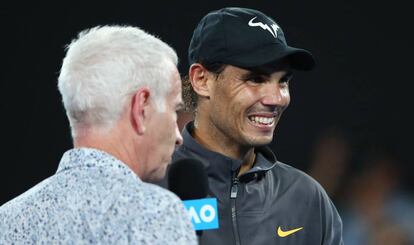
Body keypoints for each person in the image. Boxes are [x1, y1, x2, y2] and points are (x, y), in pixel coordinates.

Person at [0, 25, 197, 244]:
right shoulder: (156, 212)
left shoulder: (7, 219)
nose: (179, 137)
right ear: (141, 108)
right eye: (173, 110)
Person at [163, 7, 344, 244]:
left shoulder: (307, 198)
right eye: (255, 79)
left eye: (283, 81)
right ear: (202, 80)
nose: (276, 99)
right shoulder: (151, 186)